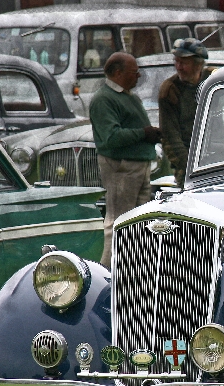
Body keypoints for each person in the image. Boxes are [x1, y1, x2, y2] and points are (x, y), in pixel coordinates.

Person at [90, 51, 161, 268]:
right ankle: (108, 274)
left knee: (139, 222)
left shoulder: (127, 96)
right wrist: (143, 133)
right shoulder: (104, 100)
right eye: (134, 72)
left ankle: (134, 268)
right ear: (118, 73)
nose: (138, 76)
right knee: (119, 221)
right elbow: (110, 137)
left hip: (137, 166)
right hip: (122, 168)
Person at [158, 38, 210, 188]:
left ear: (198, 64)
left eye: (184, 63)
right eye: (177, 62)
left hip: (218, 157)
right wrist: (190, 168)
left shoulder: (212, 80)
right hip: (188, 163)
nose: (179, 67)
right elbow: (170, 137)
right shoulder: (170, 90)